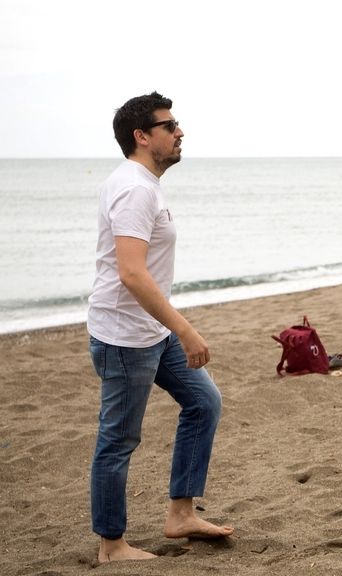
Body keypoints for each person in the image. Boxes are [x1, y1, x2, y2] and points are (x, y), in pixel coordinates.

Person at [87, 92, 233, 563]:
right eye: (169, 126)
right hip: (124, 338)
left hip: (149, 331)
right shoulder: (135, 189)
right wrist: (185, 329)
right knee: (119, 440)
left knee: (203, 400)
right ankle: (112, 545)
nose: (180, 132)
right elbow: (131, 273)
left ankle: (181, 513)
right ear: (142, 136)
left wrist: (170, 329)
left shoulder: (143, 184)